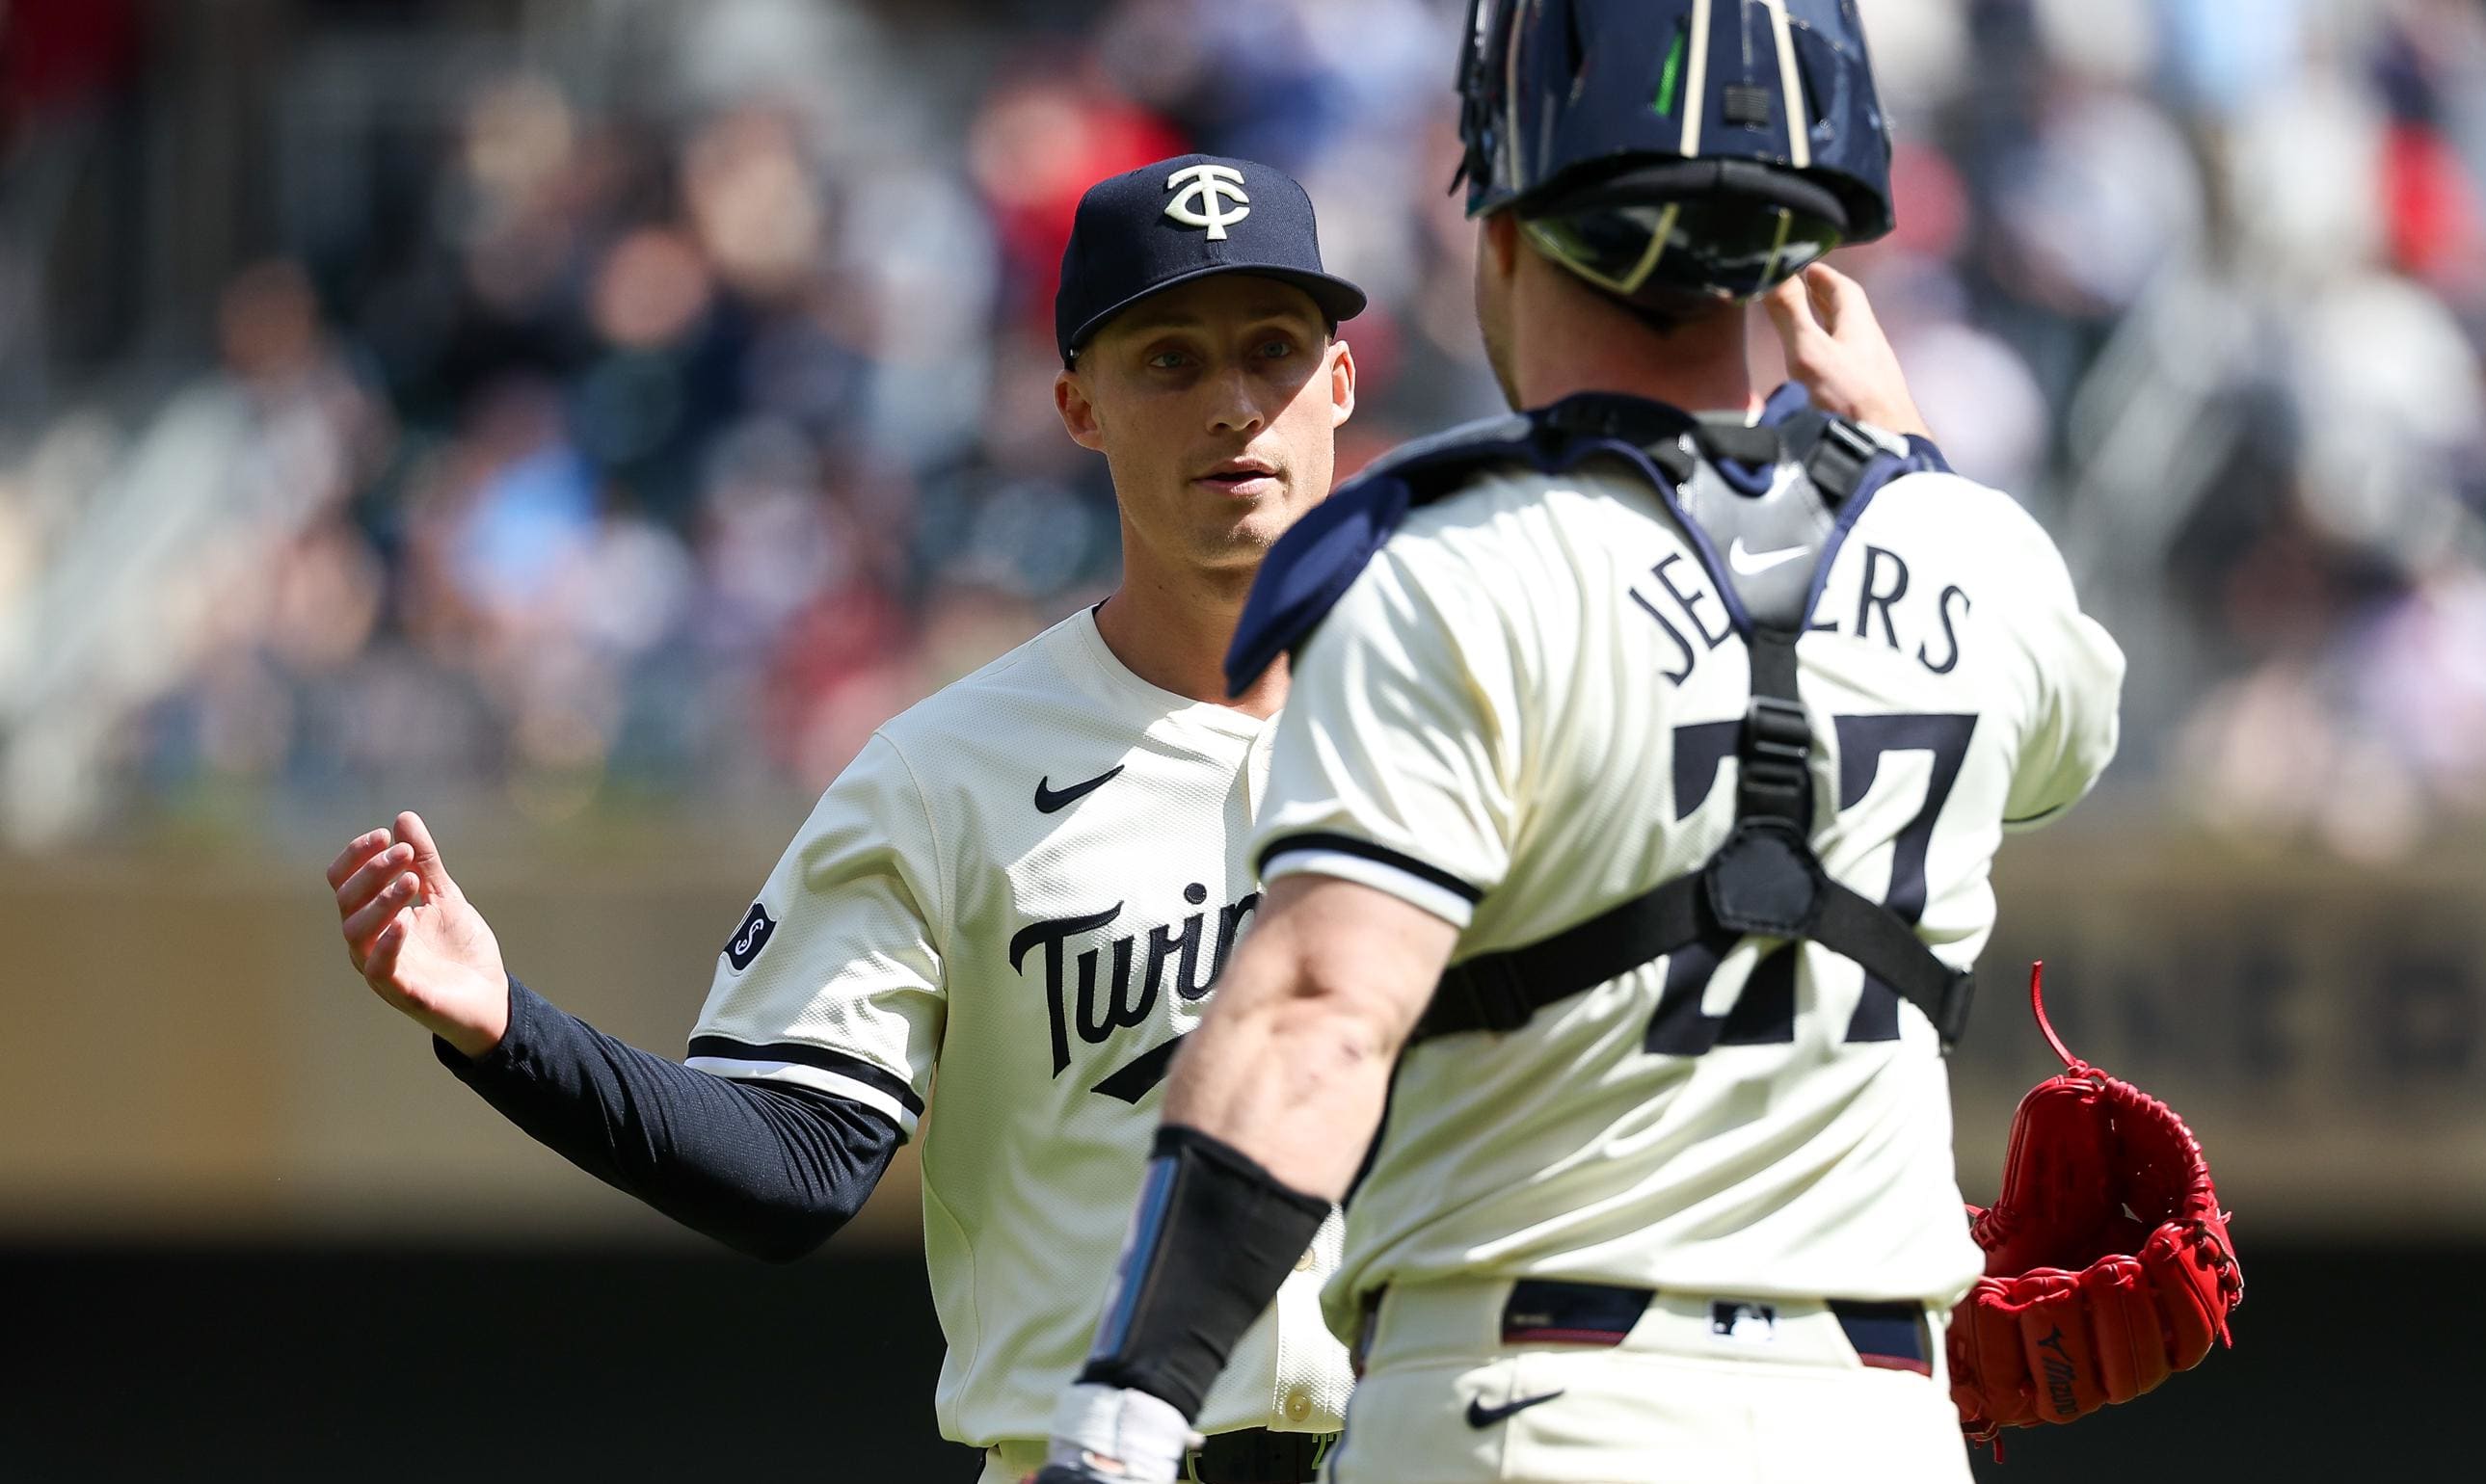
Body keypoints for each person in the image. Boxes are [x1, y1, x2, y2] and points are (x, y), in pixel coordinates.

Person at [1031, 5, 2125, 1484]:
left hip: (1533, 1411)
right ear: (1806, 263)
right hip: (1878, 1429)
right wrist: (1900, 446)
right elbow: (2063, 747)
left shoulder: (1448, 564)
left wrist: (1124, 1410)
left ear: (1501, 231)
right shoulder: (1978, 554)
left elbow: (1314, 1017)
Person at [326, 154, 1368, 1484]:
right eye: (1167, 360)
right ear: (1079, 407)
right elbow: (794, 1164)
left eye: (1271, 350)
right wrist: (507, 1031)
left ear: (1337, 380)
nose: (1232, 406)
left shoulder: (1471, 725)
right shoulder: (946, 771)